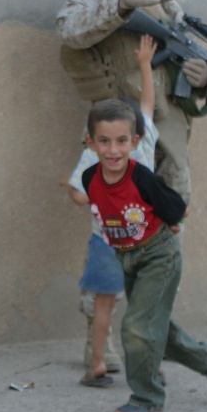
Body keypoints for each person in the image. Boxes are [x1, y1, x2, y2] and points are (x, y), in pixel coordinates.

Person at [56, 0, 207, 205]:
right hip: (118, 131)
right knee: (118, 220)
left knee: (172, 218)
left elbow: (185, 52)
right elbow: (70, 31)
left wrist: (202, 78)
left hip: (167, 131)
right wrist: (120, 4)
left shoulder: (164, 2)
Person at [80, 99, 207, 412]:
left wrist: (171, 222)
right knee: (155, 328)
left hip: (159, 254)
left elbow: (178, 208)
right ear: (90, 143)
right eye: (104, 141)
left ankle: (147, 400)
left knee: (138, 327)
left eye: (122, 141)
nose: (113, 150)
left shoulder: (142, 178)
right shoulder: (90, 178)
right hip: (127, 258)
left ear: (135, 142)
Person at [65, 35, 159, 387]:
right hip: (145, 241)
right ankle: (150, 364)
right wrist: (145, 66)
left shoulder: (95, 153)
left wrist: (92, 197)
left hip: (106, 241)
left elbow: (77, 195)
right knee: (145, 307)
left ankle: (98, 364)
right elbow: (147, 104)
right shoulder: (142, 139)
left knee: (103, 304)